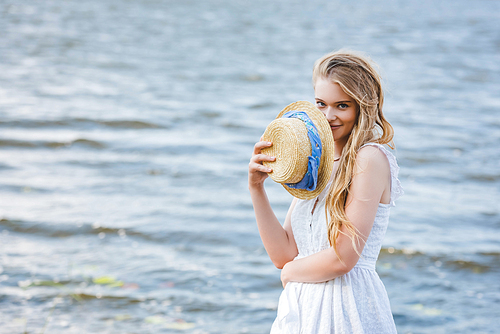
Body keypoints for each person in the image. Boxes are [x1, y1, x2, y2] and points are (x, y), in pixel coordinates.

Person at [248, 50, 403, 333]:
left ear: (362, 106)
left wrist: (292, 273)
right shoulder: (318, 163)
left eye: (341, 106)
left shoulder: (369, 159)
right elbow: (283, 255)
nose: (329, 116)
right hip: (303, 309)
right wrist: (257, 188)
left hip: (346, 308)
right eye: (321, 104)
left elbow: (344, 257)